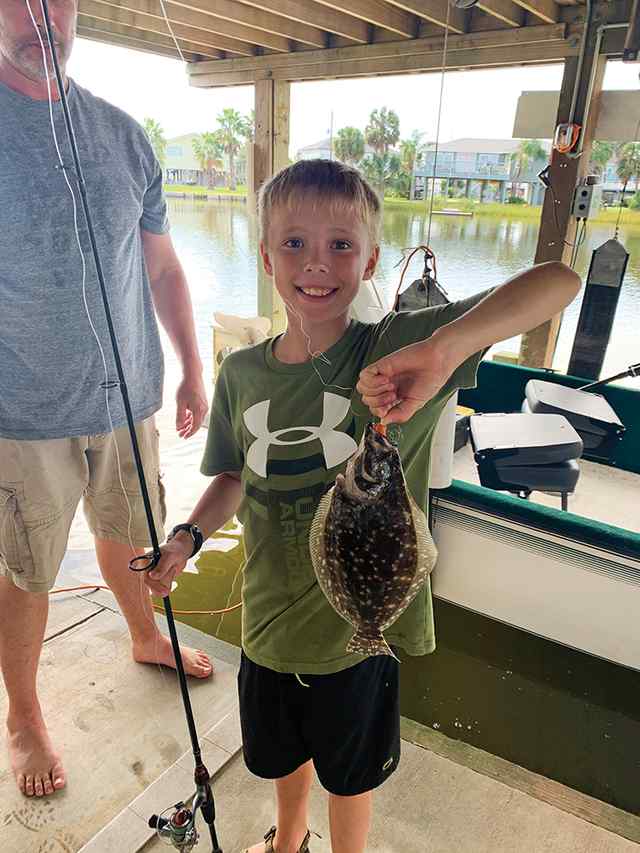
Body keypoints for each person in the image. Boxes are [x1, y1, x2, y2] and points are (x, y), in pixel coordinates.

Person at [146, 159, 581, 853]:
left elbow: (559, 282)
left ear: (371, 260)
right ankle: (289, 840)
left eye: (341, 244)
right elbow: (232, 474)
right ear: (265, 257)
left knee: (351, 778)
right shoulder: (241, 372)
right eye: (294, 243)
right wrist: (187, 537)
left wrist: (443, 349)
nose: (316, 262)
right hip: (267, 627)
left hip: (357, 639)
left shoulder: (398, 350)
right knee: (281, 757)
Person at [0, 0, 213, 800]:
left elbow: (163, 268)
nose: (40, 14)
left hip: (127, 399)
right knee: (30, 566)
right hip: (22, 414)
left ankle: (142, 635)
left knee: (131, 530)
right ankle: (24, 714)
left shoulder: (125, 135)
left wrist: (192, 367)